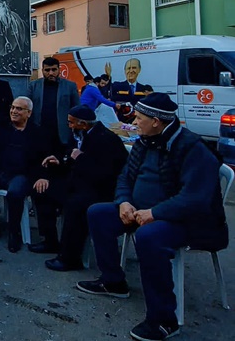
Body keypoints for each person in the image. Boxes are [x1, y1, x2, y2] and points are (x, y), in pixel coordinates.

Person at [76, 93, 228, 341]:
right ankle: (114, 282)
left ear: (156, 121)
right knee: (98, 213)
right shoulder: (145, 142)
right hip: (140, 211)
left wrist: (155, 213)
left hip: (187, 221)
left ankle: (164, 320)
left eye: (139, 117)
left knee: (149, 236)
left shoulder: (192, 148)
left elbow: (195, 199)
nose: (134, 122)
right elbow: (125, 176)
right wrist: (124, 201)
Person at [29, 105, 128, 272]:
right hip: (77, 182)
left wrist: (80, 158)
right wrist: (60, 160)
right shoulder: (77, 134)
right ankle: (50, 240)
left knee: (74, 206)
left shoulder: (106, 139)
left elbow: (104, 172)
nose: (69, 126)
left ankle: (70, 258)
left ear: (83, 124)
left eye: (72, 123)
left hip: (99, 189)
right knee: (42, 190)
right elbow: (70, 154)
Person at [0, 97, 47, 252]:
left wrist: (41, 175)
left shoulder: (37, 132)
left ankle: (14, 232)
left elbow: (43, 157)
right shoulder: (1, 126)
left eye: (19, 109)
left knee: (15, 193)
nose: (14, 111)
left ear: (29, 113)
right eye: (13, 107)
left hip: (21, 174)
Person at [28, 56, 80, 153]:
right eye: (47, 70)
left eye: (54, 69)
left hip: (62, 133)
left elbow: (76, 109)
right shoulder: (34, 86)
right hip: (40, 133)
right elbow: (28, 108)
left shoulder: (70, 86)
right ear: (42, 70)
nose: (51, 73)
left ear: (59, 70)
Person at [109, 58, 149, 122]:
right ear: (125, 70)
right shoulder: (118, 86)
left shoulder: (144, 88)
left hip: (139, 121)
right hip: (122, 121)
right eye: (128, 68)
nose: (131, 71)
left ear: (139, 69)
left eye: (134, 68)